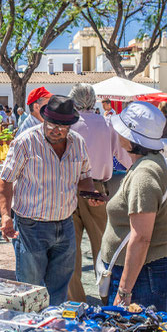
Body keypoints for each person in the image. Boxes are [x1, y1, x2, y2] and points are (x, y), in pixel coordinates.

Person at [0, 95, 101, 305]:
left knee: (59, 290)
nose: (57, 130)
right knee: (30, 291)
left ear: (70, 126)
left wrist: (90, 193)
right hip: (30, 227)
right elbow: (5, 181)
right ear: (44, 119)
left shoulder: (78, 144)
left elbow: (84, 176)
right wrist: (6, 215)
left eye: (63, 127)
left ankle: (52, 331)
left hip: (65, 225)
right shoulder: (25, 142)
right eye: (52, 124)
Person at [100, 101, 167, 311]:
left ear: (132, 137)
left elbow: (141, 237)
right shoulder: (149, 164)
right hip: (143, 275)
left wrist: (124, 291)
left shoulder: (144, 173)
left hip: (140, 278)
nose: (116, 131)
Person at [68, 83, 131, 302]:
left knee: (71, 250)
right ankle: (108, 297)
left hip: (70, 190)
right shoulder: (107, 124)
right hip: (97, 190)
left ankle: (75, 301)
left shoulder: (69, 125)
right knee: (103, 249)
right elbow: (124, 157)